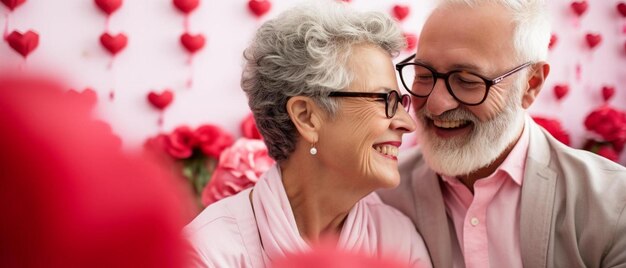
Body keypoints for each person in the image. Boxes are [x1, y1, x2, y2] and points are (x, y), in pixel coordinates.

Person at [377, 0, 626, 267]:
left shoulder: (613, 204)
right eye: (423, 75)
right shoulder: (380, 194)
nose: (436, 105)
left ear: (531, 85)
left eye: (467, 80)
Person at [184, 1, 432, 267]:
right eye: (384, 100)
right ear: (306, 117)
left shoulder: (397, 241)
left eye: (400, 102)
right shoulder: (208, 252)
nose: (407, 123)